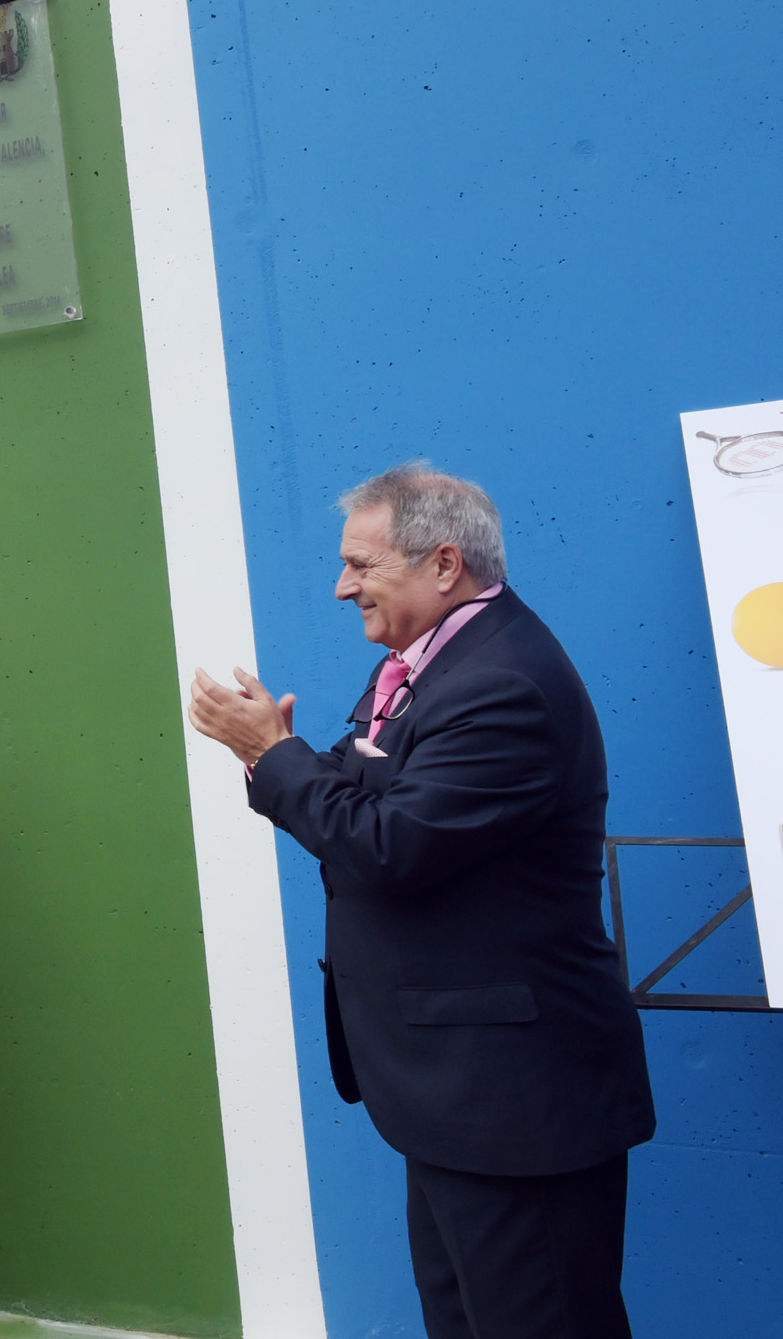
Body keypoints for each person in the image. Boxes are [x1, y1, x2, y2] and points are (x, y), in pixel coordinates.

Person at [187, 463, 655, 1339]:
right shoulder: (423, 662)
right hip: (451, 1097)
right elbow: (352, 784)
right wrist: (276, 753)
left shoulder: (502, 682)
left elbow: (389, 846)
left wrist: (273, 753)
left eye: (362, 564)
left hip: (513, 1105)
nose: (341, 586)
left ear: (444, 563)